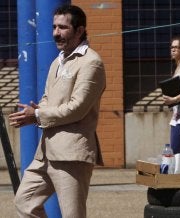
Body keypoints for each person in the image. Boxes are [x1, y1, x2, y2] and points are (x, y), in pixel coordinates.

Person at [8, 5, 106, 218]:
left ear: (79, 31)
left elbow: (77, 108)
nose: (55, 33)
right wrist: (36, 112)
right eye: (54, 27)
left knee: (72, 215)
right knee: (24, 203)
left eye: (62, 27)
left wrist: (36, 115)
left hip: (72, 153)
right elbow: (47, 99)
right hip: (45, 151)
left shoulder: (92, 62)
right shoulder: (57, 62)